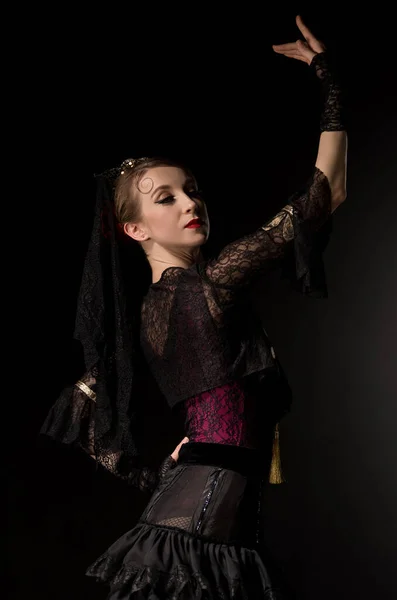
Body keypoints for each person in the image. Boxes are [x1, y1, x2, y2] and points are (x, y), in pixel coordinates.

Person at [40, 15, 347, 600]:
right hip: (201, 535)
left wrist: (166, 470)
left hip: (212, 524)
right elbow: (327, 192)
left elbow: (80, 413)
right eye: (166, 198)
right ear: (132, 229)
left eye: (192, 190)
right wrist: (330, 83)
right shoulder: (213, 286)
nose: (191, 203)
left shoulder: (145, 321)